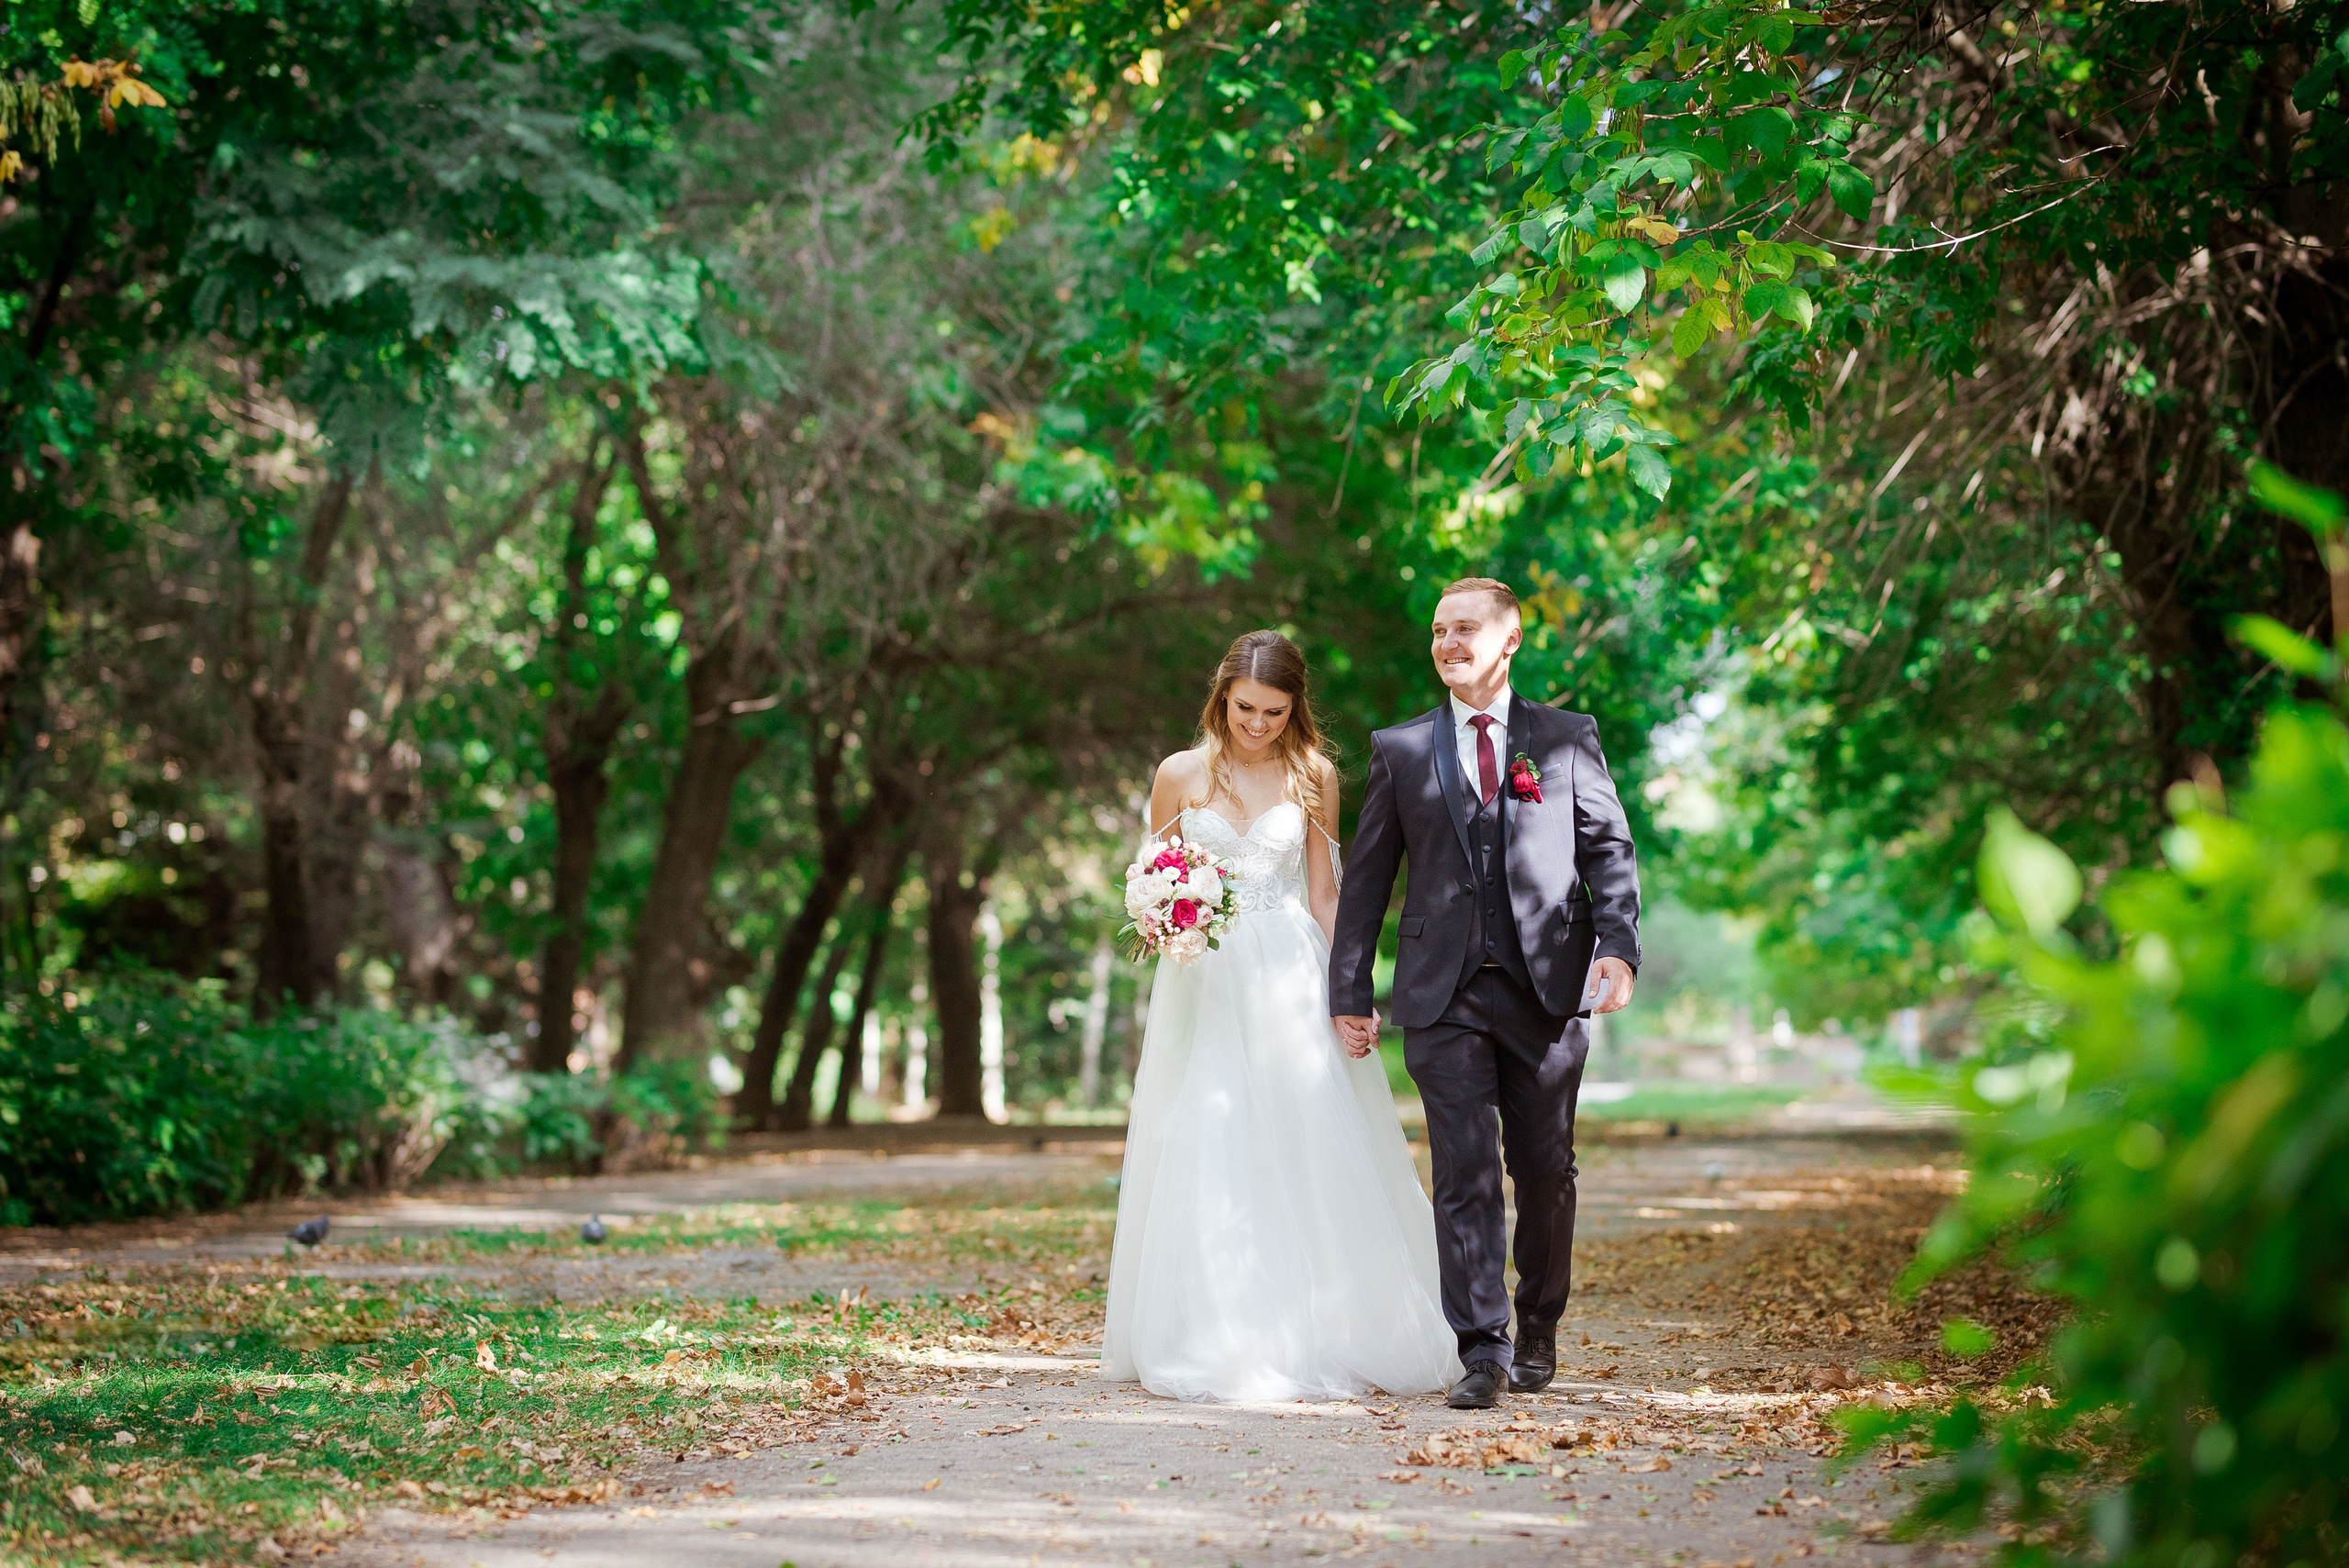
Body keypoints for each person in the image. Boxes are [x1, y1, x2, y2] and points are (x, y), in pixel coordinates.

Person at [1101, 629, 1457, 1402]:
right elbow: (1153, 877)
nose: (1256, 724)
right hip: (1206, 976)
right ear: (1220, 696)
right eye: (1244, 708)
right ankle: (1216, 1328)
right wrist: (1167, 919)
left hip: (1292, 971)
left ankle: (1327, 1324)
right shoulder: (1179, 774)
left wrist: (1350, 989)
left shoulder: (1314, 774)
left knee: (1311, 1135)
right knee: (1210, 1131)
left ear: (1295, 707)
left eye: (1273, 710)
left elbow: (1327, 893)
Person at [1328, 577, 1642, 1410]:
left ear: (1509, 640)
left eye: (1464, 628)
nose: (1446, 642)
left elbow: (1609, 850)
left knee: (1544, 1169)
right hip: (1441, 993)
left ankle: (1539, 1324)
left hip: (1547, 991)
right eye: (1437, 630)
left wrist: (1618, 946)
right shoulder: (1399, 749)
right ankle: (1483, 1347)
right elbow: (1365, 883)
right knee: (1462, 1171)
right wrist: (1349, 988)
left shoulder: (1567, 738)